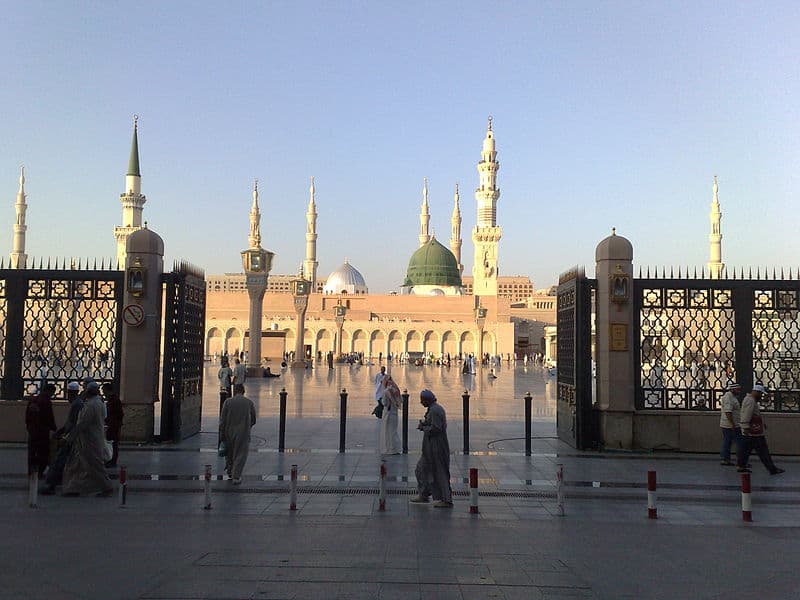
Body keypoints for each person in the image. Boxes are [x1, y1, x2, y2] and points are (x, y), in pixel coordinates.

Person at [61, 382, 114, 497]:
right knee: (78, 465)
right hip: (88, 440)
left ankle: (107, 487)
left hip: (90, 441)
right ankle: (73, 488)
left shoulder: (91, 405)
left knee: (95, 466)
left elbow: (82, 424)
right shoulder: (98, 402)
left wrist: (69, 437)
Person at [410, 389, 453, 508]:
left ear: (428, 400)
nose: (421, 402)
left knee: (440, 472)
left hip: (437, 446)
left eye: (422, 400)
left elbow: (437, 429)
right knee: (421, 469)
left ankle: (446, 499)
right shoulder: (433, 409)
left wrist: (423, 428)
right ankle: (424, 494)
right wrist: (425, 424)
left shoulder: (435, 410)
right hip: (429, 447)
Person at [737, 384, 784, 475]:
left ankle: (741, 466)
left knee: (745, 450)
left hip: (752, 431)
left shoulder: (750, 400)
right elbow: (746, 415)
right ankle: (772, 469)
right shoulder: (750, 401)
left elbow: (753, 415)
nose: (761, 396)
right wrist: (746, 427)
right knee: (763, 451)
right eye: (760, 394)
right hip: (754, 432)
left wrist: (762, 424)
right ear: (756, 392)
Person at [219, 383, 256, 485]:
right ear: (243, 391)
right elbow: (253, 418)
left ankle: (230, 472)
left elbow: (222, 419)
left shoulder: (227, 402)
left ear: (234, 391)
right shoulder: (248, 402)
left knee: (230, 452)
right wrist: (248, 426)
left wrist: (222, 432)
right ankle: (236, 476)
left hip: (229, 430)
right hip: (243, 431)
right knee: (240, 453)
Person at [26, 383, 57, 478]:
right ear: (50, 391)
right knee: (43, 452)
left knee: (32, 451)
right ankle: (40, 472)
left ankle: (31, 471)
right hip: (42, 431)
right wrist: (54, 428)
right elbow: (49, 417)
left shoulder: (33, 400)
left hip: (33, 431)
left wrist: (29, 427)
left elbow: (27, 417)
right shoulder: (46, 401)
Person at [719, 381, 742, 466]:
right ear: (733, 390)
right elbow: (728, 411)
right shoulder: (728, 397)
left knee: (728, 441)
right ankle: (728, 459)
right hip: (729, 425)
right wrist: (732, 424)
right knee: (735, 442)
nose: (739, 391)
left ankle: (726, 459)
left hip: (732, 424)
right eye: (737, 390)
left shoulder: (732, 397)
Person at [102, 383, 124, 468]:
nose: (103, 393)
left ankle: (112, 460)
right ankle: (110, 459)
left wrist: (113, 422)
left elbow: (118, 414)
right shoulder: (112, 399)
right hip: (112, 424)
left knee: (113, 443)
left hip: (114, 425)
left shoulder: (114, 400)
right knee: (111, 442)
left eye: (104, 391)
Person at [380, 375, 402, 455]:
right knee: (394, 431)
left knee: (388, 431)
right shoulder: (396, 390)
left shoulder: (386, 392)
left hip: (388, 414)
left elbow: (385, 403)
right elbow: (400, 401)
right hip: (394, 413)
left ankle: (390, 449)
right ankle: (396, 448)